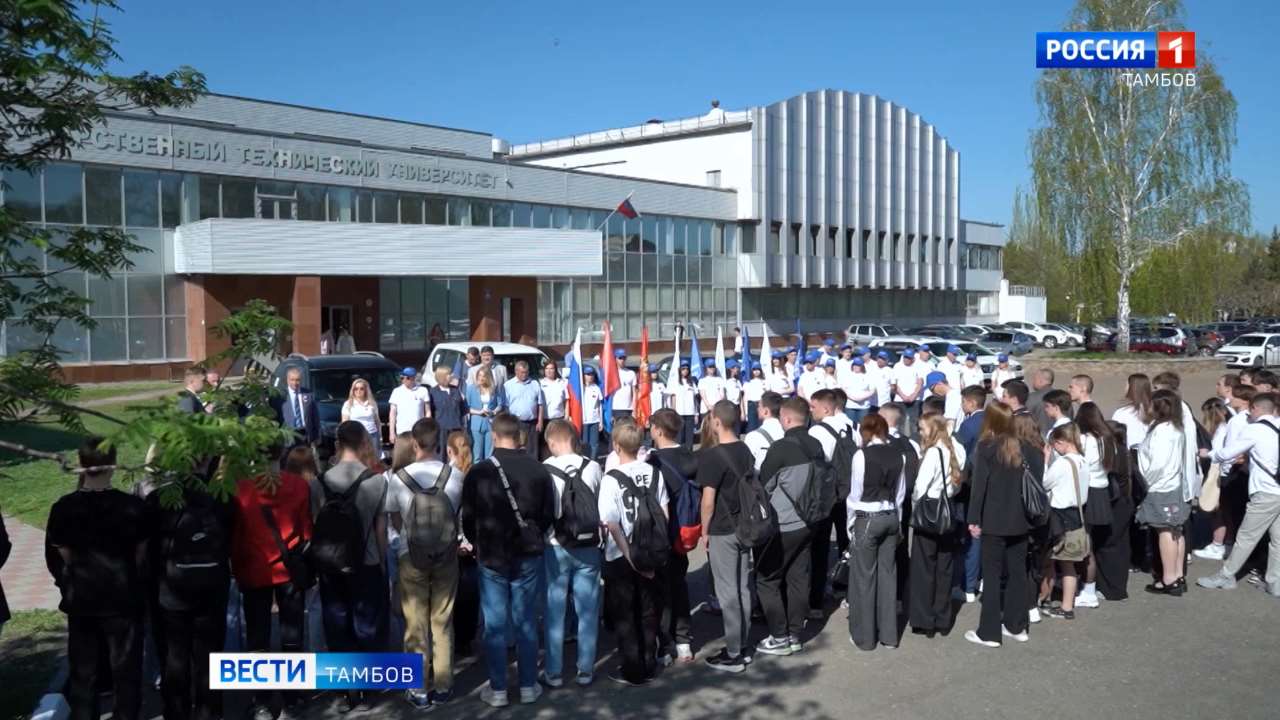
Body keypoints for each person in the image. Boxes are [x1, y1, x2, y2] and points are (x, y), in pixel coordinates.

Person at [47, 438, 147, 720]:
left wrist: (78, 576)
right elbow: (141, 556)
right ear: (113, 464)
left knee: (84, 672)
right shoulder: (132, 507)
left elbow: (61, 555)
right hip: (123, 598)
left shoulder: (64, 508)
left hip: (83, 598)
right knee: (126, 670)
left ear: (81, 464)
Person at [460, 414, 556, 707]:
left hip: (491, 553)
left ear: (493, 435)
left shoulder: (479, 472)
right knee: (526, 620)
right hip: (527, 552)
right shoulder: (539, 469)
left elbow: (468, 517)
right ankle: (528, 685)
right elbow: (548, 515)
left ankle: (498, 688)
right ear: (519, 436)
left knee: (495, 624)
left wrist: (477, 542)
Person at [146, 453, 234, 720]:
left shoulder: (158, 500)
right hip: (212, 588)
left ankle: (176, 712)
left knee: (174, 657)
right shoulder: (223, 499)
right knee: (210, 657)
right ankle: (210, 712)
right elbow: (230, 540)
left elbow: (148, 549)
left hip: (170, 590)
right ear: (208, 461)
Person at [384, 419, 463, 710]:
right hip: (446, 553)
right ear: (439, 442)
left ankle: (418, 688)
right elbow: (458, 513)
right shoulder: (455, 476)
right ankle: (443, 685)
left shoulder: (399, 478)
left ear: (414, 444)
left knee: (415, 621)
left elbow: (393, 516)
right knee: (442, 620)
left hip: (411, 555)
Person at [311, 422, 389, 711]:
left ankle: (345, 691)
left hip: (330, 562)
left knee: (337, 624)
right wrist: (383, 562)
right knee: (367, 624)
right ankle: (368, 690)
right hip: (366, 561)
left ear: (337, 444)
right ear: (364, 443)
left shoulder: (319, 482)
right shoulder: (377, 481)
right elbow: (380, 529)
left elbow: (316, 524)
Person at [964, 402, 1042, 648]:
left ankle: (989, 632)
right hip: (1021, 520)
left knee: (992, 575)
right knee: (1018, 573)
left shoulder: (986, 447)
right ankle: (1016, 626)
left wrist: (973, 519)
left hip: (994, 520)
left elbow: (979, 488)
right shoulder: (1026, 448)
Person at [599, 419, 669, 686]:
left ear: (616, 446)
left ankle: (632, 668)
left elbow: (611, 523)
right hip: (651, 549)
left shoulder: (611, 479)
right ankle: (649, 662)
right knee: (649, 610)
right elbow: (664, 513)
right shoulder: (654, 473)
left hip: (622, 554)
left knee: (626, 613)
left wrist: (630, 556)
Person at [754, 398, 822, 655]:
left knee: (766, 579)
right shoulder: (815, 444)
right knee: (798, 577)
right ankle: (794, 634)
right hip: (810, 520)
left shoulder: (781, 447)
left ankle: (779, 636)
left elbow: (763, 485)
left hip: (784, 523)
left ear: (786, 418)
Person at [1197, 392, 1280, 597]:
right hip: (1277, 490)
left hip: (1265, 491)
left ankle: (1226, 575)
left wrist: (1209, 454)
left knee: (1246, 537)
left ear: (1256, 408)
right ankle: (1275, 582)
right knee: (1277, 540)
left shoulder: (1255, 429)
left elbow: (1228, 453)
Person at [541, 419, 604, 688]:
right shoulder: (593, 467)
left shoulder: (545, 469)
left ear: (552, 442)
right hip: (588, 545)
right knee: (587, 610)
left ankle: (554, 672)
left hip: (556, 545)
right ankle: (585, 670)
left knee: (554, 611)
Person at [696, 400, 756, 672]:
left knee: (727, 591)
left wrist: (704, 530)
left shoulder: (712, 456)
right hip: (745, 526)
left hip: (723, 528)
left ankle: (733, 653)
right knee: (742, 587)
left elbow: (708, 501)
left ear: (717, 422)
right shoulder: (745, 449)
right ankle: (741, 644)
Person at [845, 413, 905, 650]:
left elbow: (855, 494)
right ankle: (889, 636)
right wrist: (898, 522)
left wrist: (850, 522)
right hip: (890, 515)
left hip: (868, 517)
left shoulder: (861, 455)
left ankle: (865, 638)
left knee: (864, 578)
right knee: (888, 577)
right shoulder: (898, 455)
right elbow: (900, 494)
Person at [909, 414, 967, 637]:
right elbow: (959, 482)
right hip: (948, 509)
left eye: (922, 428)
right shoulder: (957, 449)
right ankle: (942, 618)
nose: (920, 433)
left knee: (924, 567)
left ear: (933, 429)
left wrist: (916, 508)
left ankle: (924, 619)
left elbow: (920, 488)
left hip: (930, 510)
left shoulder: (934, 452)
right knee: (945, 566)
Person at [648, 409, 698, 665]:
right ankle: (684, 641)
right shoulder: (690, 455)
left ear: (658, 430)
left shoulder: (654, 462)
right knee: (679, 585)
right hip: (686, 531)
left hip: (662, 534)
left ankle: (664, 646)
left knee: (661, 591)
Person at [1135, 390, 1191, 596]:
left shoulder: (1162, 431)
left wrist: (1144, 483)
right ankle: (1177, 575)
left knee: (1165, 531)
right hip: (1173, 484)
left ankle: (1169, 578)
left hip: (1160, 487)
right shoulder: (1175, 427)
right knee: (1176, 530)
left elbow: (1157, 464)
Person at [1038, 424, 1089, 621]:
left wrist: (1045, 461)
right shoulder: (1083, 461)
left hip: (1060, 517)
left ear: (1061, 442)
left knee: (1053, 561)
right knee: (1069, 564)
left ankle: (1055, 602)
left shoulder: (1062, 463)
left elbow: (1044, 483)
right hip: (1077, 515)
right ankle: (1066, 604)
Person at [1072, 402, 1117, 608]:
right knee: (1089, 542)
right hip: (1102, 490)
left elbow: (1082, 466)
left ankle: (1088, 590)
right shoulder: (1107, 439)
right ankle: (1087, 586)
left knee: (1085, 543)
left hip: (1088, 491)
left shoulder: (1086, 440)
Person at [446, 431, 481, 657]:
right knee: (471, 592)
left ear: (449, 450)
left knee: (453, 593)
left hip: (454, 541)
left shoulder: (447, 475)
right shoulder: (476, 474)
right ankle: (467, 639)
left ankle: (456, 638)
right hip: (473, 541)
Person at [503, 360, 546, 456]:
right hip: (516, 423)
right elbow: (506, 406)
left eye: (526, 372)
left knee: (533, 450)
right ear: (516, 371)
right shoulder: (508, 385)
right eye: (522, 372)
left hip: (532, 424)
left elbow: (540, 404)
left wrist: (540, 421)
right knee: (516, 448)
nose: (525, 375)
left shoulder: (535, 384)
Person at [466, 367, 505, 462]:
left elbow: (500, 405)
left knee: (489, 454)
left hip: (490, 422)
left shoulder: (494, 389)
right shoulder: (471, 388)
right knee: (477, 454)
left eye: (483, 376)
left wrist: (494, 412)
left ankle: (488, 470)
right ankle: (477, 470)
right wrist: (479, 412)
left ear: (488, 377)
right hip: (476, 423)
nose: (481, 378)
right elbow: (467, 407)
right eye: (479, 375)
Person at [276, 366, 319, 447]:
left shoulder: (308, 394)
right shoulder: (280, 396)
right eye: (292, 380)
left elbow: (315, 417)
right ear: (287, 380)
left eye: (297, 380)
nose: (295, 383)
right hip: (288, 436)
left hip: (305, 435)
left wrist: (316, 436)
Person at [429, 366, 467, 455]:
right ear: (442, 376)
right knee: (442, 453)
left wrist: (463, 426)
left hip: (456, 428)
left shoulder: (456, 390)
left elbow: (463, 409)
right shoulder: (433, 392)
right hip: (441, 429)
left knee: (457, 452)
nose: (452, 375)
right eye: (449, 374)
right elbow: (430, 411)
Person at [744, 391, 785, 470]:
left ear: (766, 411)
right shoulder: (788, 433)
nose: (757, 409)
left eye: (759, 406)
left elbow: (747, 466)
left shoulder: (753, 436)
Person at [1112, 373, 1154, 450]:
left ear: (1131, 388)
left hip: (1131, 453)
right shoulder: (1155, 410)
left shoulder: (1121, 412)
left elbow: (1114, 437)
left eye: (1127, 385)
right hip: (1150, 451)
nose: (1125, 388)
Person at [389, 367, 431, 439]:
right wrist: (392, 432)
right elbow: (392, 414)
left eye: (407, 378)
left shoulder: (423, 390)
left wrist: (426, 428)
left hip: (418, 431)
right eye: (402, 378)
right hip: (402, 431)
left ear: (413, 378)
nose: (404, 380)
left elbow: (428, 411)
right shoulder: (396, 391)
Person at [343, 377, 383, 451]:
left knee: (373, 457)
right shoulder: (348, 404)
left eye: (361, 389)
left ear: (366, 390)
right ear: (352, 390)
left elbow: (377, 421)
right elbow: (345, 423)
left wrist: (380, 436)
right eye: (356, 389)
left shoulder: (372, 403)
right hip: (355, 436)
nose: (358, 391)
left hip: (372, 435)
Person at [891, 348, 923, 434]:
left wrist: (913, 395)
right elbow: (894, 384)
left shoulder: (918, 366)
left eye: (909, 358)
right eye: (905, 357)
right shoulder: (897, 366)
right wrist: (903, 396)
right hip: (900, 399)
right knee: (900, 422)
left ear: (913, 358)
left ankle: (914, 440)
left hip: (914, 399)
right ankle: (901, 440)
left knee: (914, 423)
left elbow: (920, 383)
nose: (906, 359)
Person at [665, 363, 698, 446]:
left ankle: (689, 452)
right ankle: (679, 452)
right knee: (679, 436)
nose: (685, 371)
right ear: (679, 370)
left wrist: (696, 413)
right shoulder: (675, 382)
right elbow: (673, 397)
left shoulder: (692, 382)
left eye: (687, 369)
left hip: (690, 412)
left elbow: (694, 399)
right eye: (683, 369)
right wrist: (673, 412)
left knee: (689, 436)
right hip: (679, 412)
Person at [841, 357, 875, 425]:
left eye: (858, 365)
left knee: (863, 426)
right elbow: (843, 389)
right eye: (855, 365)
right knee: (850, 426)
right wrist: (853, 398)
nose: (856, 366)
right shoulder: (847, 375)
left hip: (864, 407)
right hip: (850, 406)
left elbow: (872, 390)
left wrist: (861, 398)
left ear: (862, 366)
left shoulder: (868, 376)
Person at [581, 366, 605, 458]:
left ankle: (593, 460)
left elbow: (599, 405)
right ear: (583, 375)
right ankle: (584, 460)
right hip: (583, 420)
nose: (590, 376)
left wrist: (601, 422)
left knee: (594, 444)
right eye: (587, 374)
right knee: (584, 443)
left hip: (594, 420)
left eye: (592, 374)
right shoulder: (580, 388)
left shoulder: (596, 388)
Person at [611, 349, 639, 424]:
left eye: (624, 358)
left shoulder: (631, 373)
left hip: (628, 409)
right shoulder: (611, 373)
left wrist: (634, 409)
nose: (622, 360)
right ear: (615, 359)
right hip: (616, 408)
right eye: (620, 358)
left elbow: (634, 393)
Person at [1027, 368, 1056, 435]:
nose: (1033, 382)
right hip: (1060, 438)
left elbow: (1024, 420)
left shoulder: (1032, 397)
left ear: (1040, 381)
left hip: (1039, 437)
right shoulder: (1063, 397)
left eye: (1034, 379)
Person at [540, 360, 569, 426]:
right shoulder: (540, 384)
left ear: (555, 370)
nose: (549, 371)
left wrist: (566, 416)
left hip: (559, 418)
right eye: (547, 368)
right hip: (545, 419)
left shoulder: (562, 383)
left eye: (551, 368)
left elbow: (566, 401)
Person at [743, 364, 767, 431]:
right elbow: (745, 397)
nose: (756, 371)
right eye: (754, 370)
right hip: (751, 405)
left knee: (762, 426)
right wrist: (745, 412)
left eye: (758, 369)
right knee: (752, 427)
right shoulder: (748, 383)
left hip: (761, 404)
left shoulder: (765, 381)